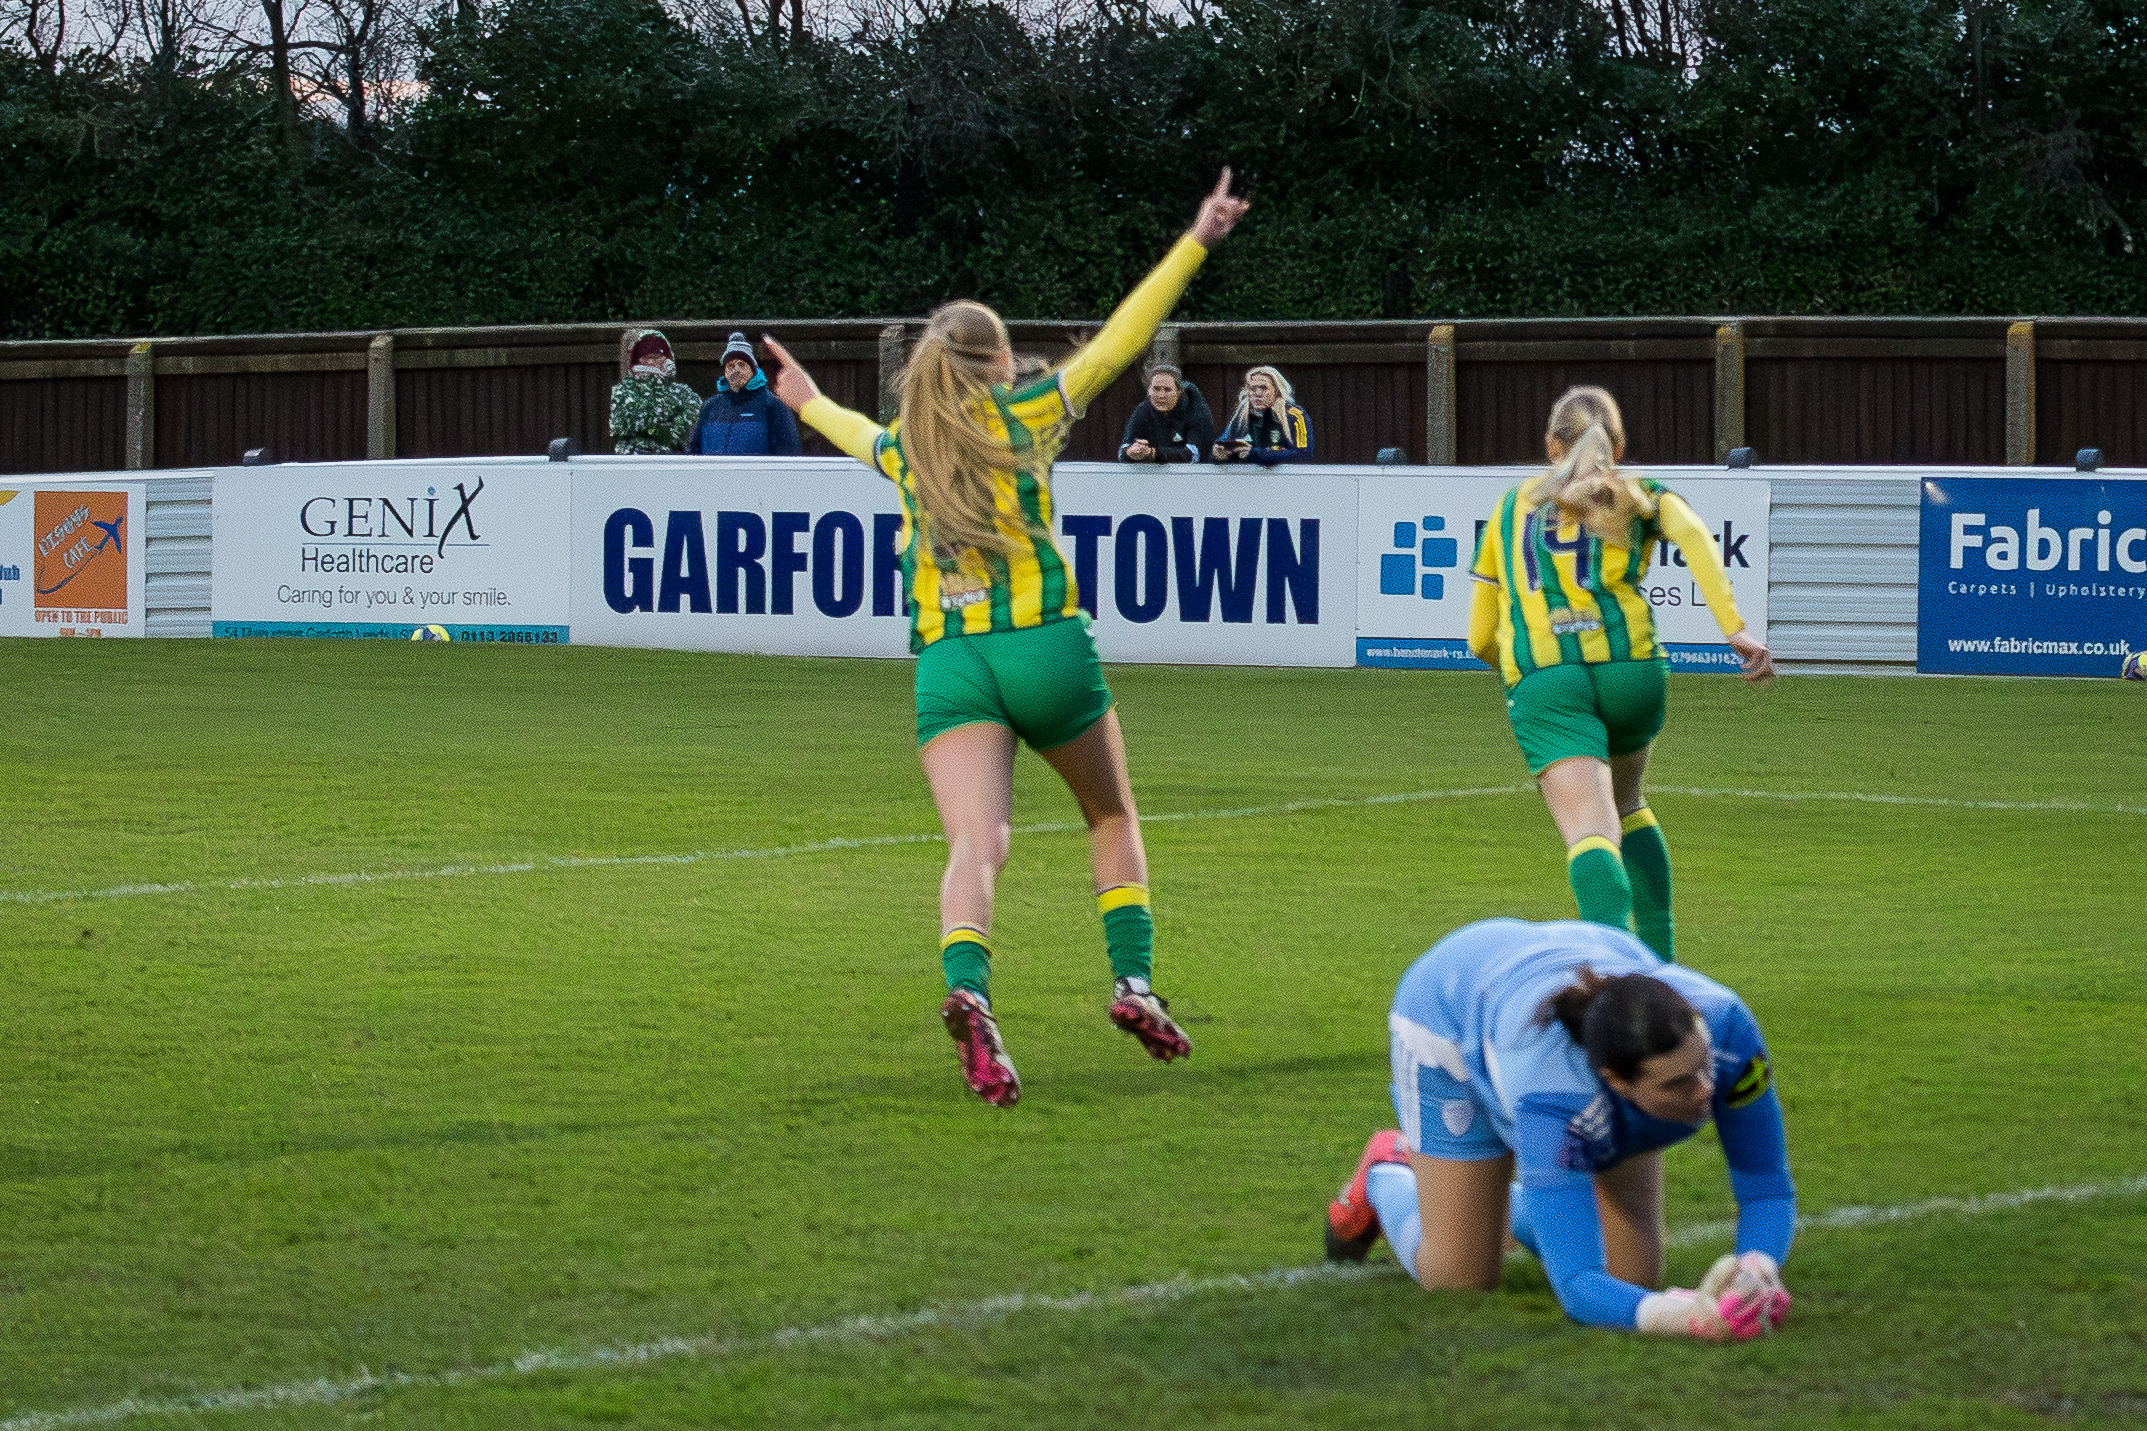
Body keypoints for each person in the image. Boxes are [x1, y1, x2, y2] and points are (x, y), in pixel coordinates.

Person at [761, 171, 1252, 1107]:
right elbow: (1118, 342)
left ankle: (971, 993)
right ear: (998, 362)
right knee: (1109, 817)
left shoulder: (910, 447)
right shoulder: (1023, 417)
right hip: (1043, 645)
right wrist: (1196, 238)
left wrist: (807, 398)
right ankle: (1131, 983)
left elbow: (856, 433)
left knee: (976, 844)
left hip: (950, 664)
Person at [1323, 916, 1796, 1340]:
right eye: (1677, 1083)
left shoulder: (1728, 1029)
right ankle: (1389, 1167)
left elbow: (1766, 1188)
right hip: (1448, 1013)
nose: (1705, 1089)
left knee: (1632, 1276)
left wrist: (1757, 1267)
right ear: (1617, 1082)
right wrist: (1686, 1318)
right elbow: (1577, 1289)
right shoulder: (1553, 1101)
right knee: (1459, 1277)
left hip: (1584, 967)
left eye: (1704, 1065)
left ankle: (1525, 1207)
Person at [1469, 386, 1773, 961]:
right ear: (1619, 445)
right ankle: (1660, 958)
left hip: (1546, 679)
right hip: (1633, 671)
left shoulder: (1511, 509)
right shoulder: (1639, 495)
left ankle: (1614, 973)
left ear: (1550, 444)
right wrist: (1732, 628)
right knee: (1628, 804)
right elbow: (1696, 538)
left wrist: (1518, 673)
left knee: (1589, 827)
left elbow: (1480, 637)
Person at [693, 332, 802, 456]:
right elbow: (694, 451)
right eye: (730, 365)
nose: (736, 370)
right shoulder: (710, 407)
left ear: (753, 370)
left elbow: (789, 452)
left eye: (742, 364)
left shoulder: (772, 406)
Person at [609, 332, 704, 454]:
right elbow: (622, 426)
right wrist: (662, 426)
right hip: (635, 462)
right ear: (638, 362)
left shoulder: (683, 391)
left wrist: (663, 431)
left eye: (658, 357)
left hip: (673, 461)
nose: (652, 362)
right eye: (648, 358)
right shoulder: (624, 390)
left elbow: (694, 421)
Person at [1213, 365, 1312, 465]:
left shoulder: (1294, 415)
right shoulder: (1241, 416)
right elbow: (1220, 445)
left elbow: (1304, 454)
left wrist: (1253, 453)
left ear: (1277, 391)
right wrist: (1219, 453)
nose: (1258, 393)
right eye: (1253, 388)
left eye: (1263, 388)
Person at [1118, 364, 1215, 463]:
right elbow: (1123, 450)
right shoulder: (1142, 410)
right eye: (1156, 389)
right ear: (1149, 391)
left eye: (1167, 390)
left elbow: (1194, 455)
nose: (1161, 395)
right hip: (1151, 475)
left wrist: (1153, 454)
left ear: (1179, 392)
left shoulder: (1196, 411)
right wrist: (1131, 452)